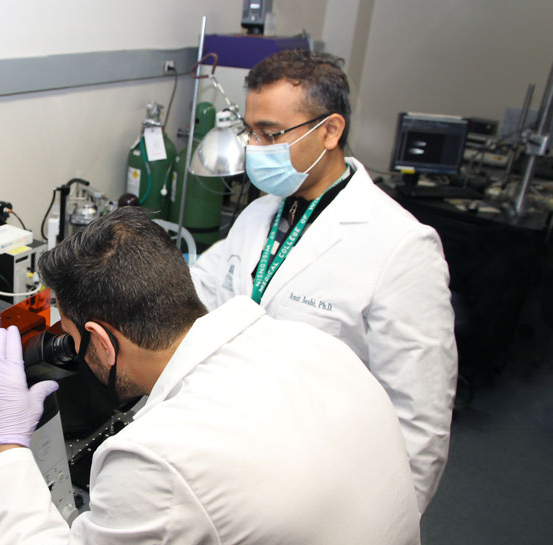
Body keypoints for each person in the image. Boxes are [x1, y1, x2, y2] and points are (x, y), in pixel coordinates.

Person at [0, 207, 422, 545]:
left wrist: (2, 448)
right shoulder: (315, 344)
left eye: (72, 339)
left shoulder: (164, 461)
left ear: (101, 342)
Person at [189, 49, 457, 513]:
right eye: (250, 130)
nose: (255, 147)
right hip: (238, 448)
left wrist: (388, 528)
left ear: (330, 131)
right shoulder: (260, 214)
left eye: (270, 133)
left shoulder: (402, 246)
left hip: (330, 484)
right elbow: (197, 290)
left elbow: (420, 419)